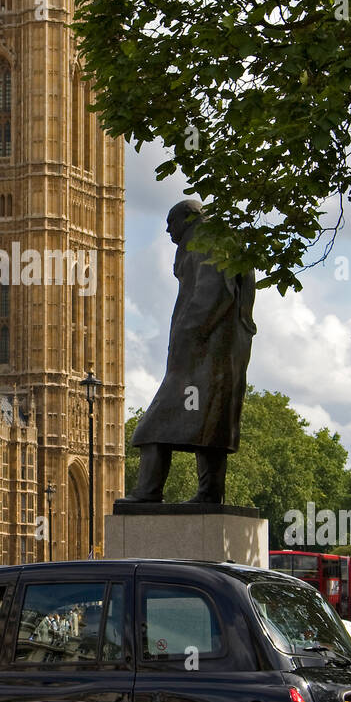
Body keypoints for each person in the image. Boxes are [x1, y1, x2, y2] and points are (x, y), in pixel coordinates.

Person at [123, 198, 256, 504]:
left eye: (171, 223)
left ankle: (148, 491)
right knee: (212, 428)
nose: (168, 231)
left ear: (189, 217)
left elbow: (214, 293)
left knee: (153, 426)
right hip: (221, 354)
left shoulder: (206, 240)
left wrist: (188, 335)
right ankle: (210, 495)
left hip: (202, 355)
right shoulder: (221, 239)